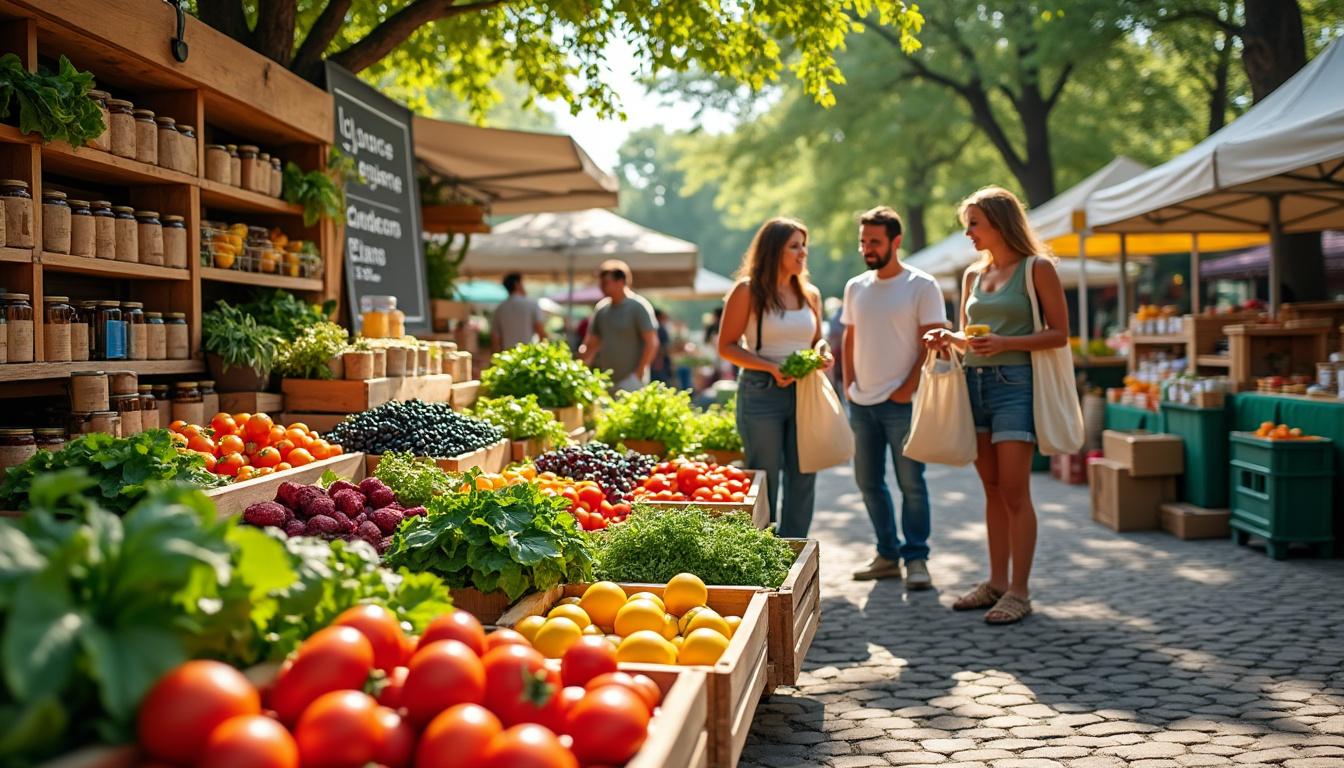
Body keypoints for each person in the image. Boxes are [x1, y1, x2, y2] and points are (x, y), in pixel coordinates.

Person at [924, 185, 1069, 625]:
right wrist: (951, 338)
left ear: (999, 223)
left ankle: (1020, 592)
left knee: (1014, 489)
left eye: (974, 223)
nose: (968, 232)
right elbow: (972, 337)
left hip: (1016, 384)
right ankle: (996, 582)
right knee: (990, 488)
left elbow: (1060, 334)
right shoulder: (972, 276)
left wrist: (1006, 342)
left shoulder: (1037, 268)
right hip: (975, 384)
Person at [843, 206, 948, 589]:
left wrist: (908, 388)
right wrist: (849, 384)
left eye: (875, 241)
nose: (867, 248)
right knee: (867, 481)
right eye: (863, 241)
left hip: (902, 402)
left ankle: (917, 558)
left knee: (911, 483)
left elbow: (933, 341)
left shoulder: (922, 285)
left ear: (896, 241)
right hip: (862, 402)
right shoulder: (855, 286)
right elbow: (850, 337)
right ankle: (887, 554)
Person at [717, 217, 829, 539]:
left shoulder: (811, 294)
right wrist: (770, 367)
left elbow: (817, 340)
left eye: (804, 245)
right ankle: (764, 550)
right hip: (761, 392)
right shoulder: (748, 290)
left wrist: (823, 352)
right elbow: (726, 346)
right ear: (773, 250)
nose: (803, 252)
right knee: (765, 478)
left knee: (804, 474)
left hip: (806, 392)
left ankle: (793, 552)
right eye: (794, 246)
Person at [580, 259, 660, 392]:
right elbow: (591, 344)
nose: (601, 287)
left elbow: (651, 343)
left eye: (606, 282)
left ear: (621, 281)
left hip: (632, 381)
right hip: (606, 381)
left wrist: (638, 373)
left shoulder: (638, 307)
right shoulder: (602, 309)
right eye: (601, 283)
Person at [491, 272, 547, 352]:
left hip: (507, 357)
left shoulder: (500, 308)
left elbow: (495, 339)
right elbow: (541, 332)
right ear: (517, 284)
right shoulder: (532, 304)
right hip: (527, 355)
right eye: (522, 283)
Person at [650, 308, 674, 384]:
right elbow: (662, 347)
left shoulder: (656, 328)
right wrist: (659, 361)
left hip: (656, 363)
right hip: (659, 364)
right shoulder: (660, 329)